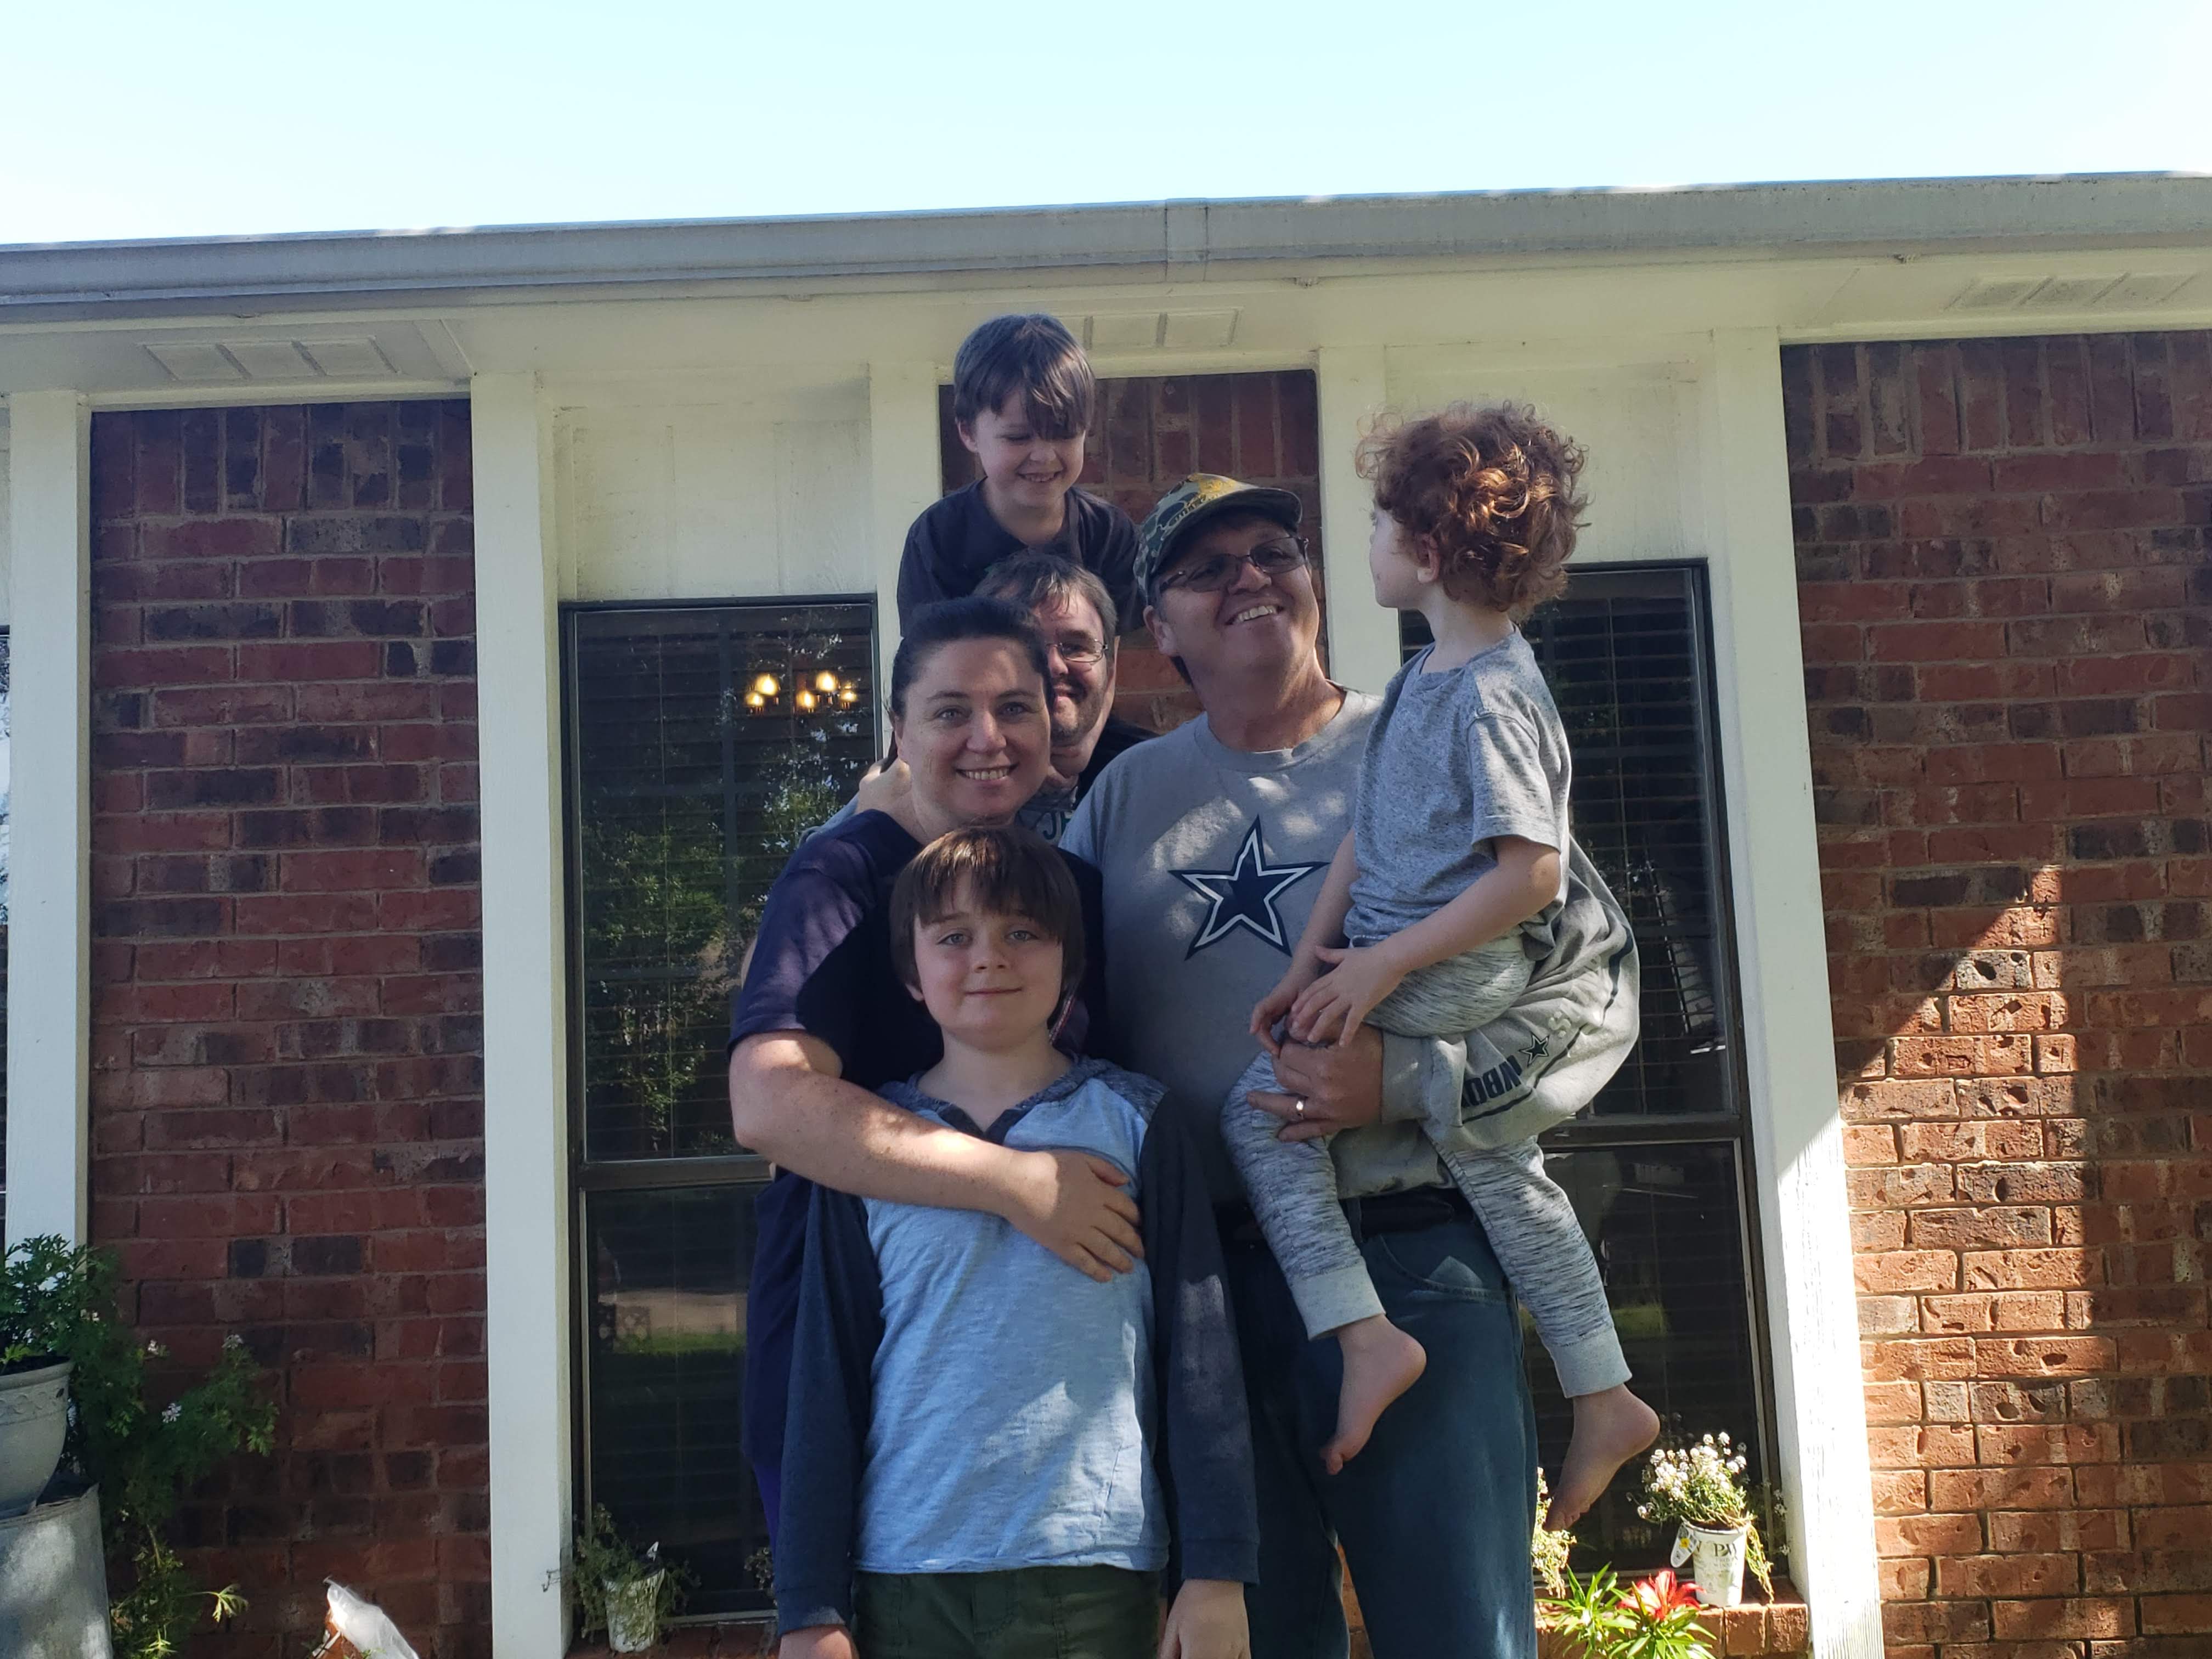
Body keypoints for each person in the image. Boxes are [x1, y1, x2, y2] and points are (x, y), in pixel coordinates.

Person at [1059, 472, 1640, 1659]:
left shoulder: (1434, 731)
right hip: (1208, 1297)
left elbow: (1598, 990)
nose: (1250, 578)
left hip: (1416, 1253)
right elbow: (1036, 1012)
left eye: (1273, 551)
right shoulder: (1120, 801)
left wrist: (1406, 1081)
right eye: (1207, 568)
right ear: (1158, 628)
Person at [1228, 404, 1658, 1513]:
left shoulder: (1495, 697)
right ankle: (1603, 1390)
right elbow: (1367, 835)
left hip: (1441, 971)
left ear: (1425, 548)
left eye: (1377, 523)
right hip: (1390, 956)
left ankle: (1362, 1334)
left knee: (1258, 1116)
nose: (1363, 545)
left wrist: (1376, 971)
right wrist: (1308, 961)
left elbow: (1531, 876)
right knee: (1496, 1163)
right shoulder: (1427, 679)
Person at [774, 826, 1255, 1659]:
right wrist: (810, 1608)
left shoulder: (1138, 1124)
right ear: (910, 973)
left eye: (1022, 931)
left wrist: (1216, 1571)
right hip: (906, 1577)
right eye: (953, 937)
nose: (988, 958)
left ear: (1070, 963)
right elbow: (826, 1374)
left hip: (1092, 1571)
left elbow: (1201, 1355)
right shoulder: (866, 1148)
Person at [726, 597, 1143, 1538]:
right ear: (899, 731)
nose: (988, 738)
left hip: (1044, 1388)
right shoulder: (843, 876)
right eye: (951, 710)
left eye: (1015, 707)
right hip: (847, 1359)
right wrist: (1014, 1183)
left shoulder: (1074, 893)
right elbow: (768, 1101)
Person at [828, 554, 1153, 844]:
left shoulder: (1148, 777)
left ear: (1110, 669)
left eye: (1076, 646)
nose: (1055, 665)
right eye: (1032, 647)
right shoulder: (912, 788)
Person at [897, 314, 1143, 634]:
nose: (1044, 456)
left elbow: (1107, 652)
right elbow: (929, 656)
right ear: (968, 432)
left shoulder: (1109, 534)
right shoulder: (938, 537)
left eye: (1064, 434)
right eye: (1018, 437)